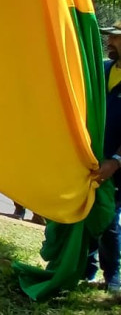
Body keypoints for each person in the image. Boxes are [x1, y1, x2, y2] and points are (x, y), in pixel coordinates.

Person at [87, 20, 121, 293]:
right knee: (86, 212)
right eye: (110, 36)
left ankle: (113, 276)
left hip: (116, 166)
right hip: (92, 160)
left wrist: (116, 160)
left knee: (109, 219)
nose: (110, 41)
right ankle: (87, 269)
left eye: (116, 37)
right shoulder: (103, 69)